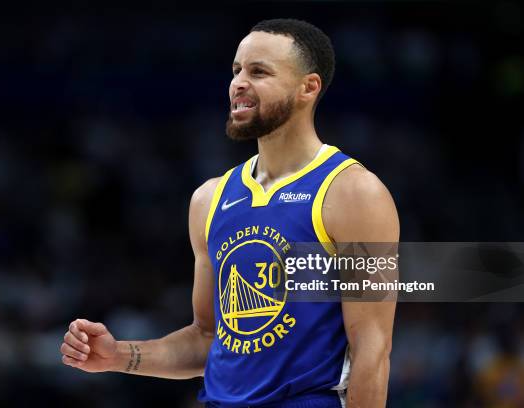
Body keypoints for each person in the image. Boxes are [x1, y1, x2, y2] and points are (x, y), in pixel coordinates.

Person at [60, 18, 399, 408]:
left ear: (308, 87)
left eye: (258, 72)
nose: (238, 83)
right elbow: (206, 338)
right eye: (236, 70)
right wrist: (118, 355)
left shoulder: (353, 193)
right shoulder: (209, 199)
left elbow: (372, 352)